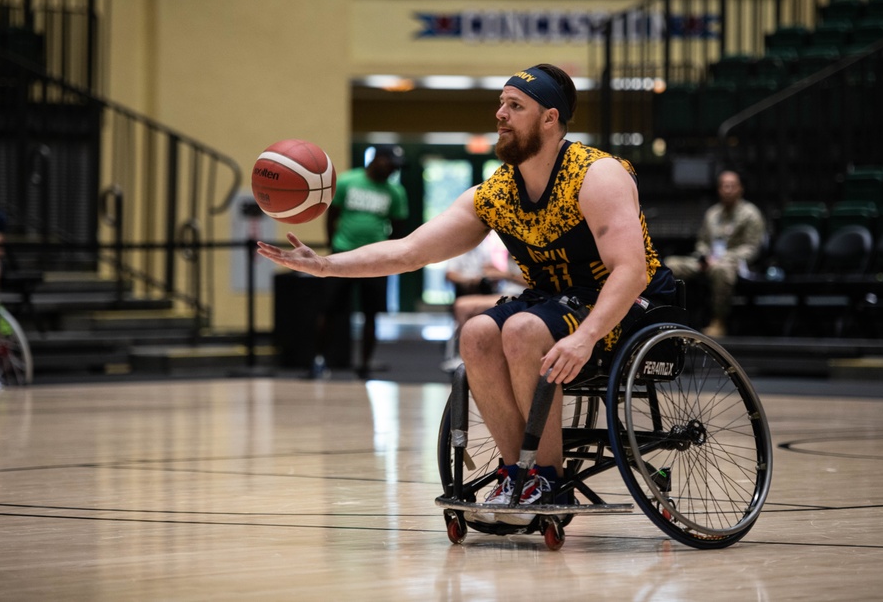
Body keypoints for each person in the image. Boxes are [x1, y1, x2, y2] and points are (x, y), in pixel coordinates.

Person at [258, 63, 676, 525]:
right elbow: (410, 250)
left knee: (520, 329)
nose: (500, 114)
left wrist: (586, 336)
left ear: (550, 119)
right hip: (554, 303)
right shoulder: (496, 193)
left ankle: (550, 478)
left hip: (628, 306)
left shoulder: (597, 175)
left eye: (515, 106)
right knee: (476, 334)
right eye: (500, 103)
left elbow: (631, 271)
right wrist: (326, 266)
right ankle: (518, 473)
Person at [310, 144, 409, 379]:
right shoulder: (347, 181)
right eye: (390, 164)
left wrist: (386, 254)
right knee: (329, 310)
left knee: (371, 314)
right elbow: (332, 215)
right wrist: (332, 247)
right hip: (342, 254)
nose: (393, 171)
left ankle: (365, 365)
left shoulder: (395, 193)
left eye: (397, 168)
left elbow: (398, 227)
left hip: (375, 261)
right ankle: (319, 360)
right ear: (376, 160)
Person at [662, 170, 765, 338]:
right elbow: (702, 241)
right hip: (708, 260)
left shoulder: (750, 214)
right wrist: (704, 256)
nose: (728, 189)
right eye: (724, 186)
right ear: (719, 189)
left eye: (732, 186)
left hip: (735, 263)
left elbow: (752, 249)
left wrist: (721, 259)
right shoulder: (712, 213)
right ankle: (672, 315)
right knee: (670, 264)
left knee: (720, 269)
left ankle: (719, 321)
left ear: (740, 189)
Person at [441, 233, 526, 372]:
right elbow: (450, 274)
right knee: (462, 305)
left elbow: (529, 281)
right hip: (501, 291)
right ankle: (466, 353)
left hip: (519, 294)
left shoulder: (528, 252)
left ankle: (467, 355)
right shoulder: (510, 249)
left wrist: (503, 275)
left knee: (463, 306)